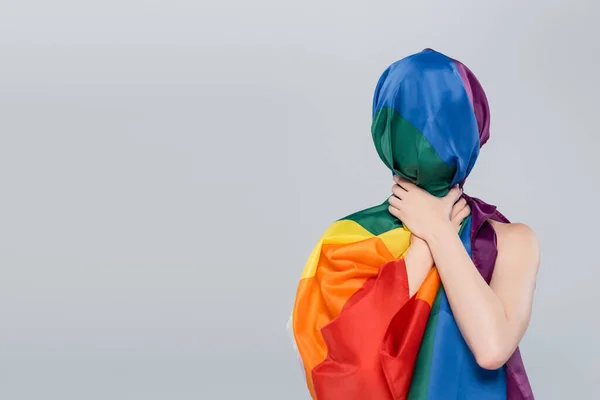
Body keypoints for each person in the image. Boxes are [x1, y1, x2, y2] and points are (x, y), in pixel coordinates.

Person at [289, 48, 539, 399]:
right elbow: (343, 367)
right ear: (477, 130)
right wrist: (424, 247)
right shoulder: (347, 244)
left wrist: (439, 233)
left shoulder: (347, 243)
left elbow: (492, 347)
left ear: (384, 133)